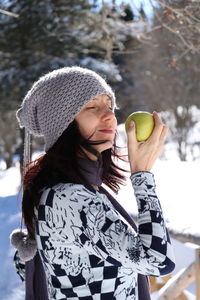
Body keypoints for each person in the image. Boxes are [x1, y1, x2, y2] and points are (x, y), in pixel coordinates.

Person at [10, 66, 175, 300]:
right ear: (63, 124)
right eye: (92, 107)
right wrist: (142, 175)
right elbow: (159, 261)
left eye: (109, 105)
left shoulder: (67, 189)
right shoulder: (68, 197)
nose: (109, 115)